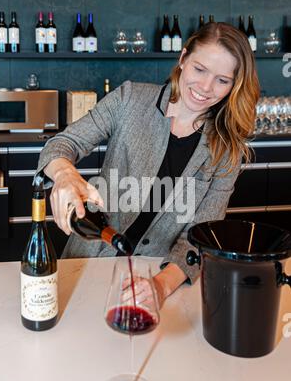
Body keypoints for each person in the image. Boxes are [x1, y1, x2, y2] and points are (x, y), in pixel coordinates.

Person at [36, 22, 260, 308]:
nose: (205, 87)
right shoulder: (130, 99)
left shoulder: (227, 149)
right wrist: (65, 174)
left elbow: (201, 237)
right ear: (183, 59)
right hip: (87, 264)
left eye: (222, 80)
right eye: (199, 69)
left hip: (156, 274)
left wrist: (159, 286)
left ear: (234, 85)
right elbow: (63, 144)